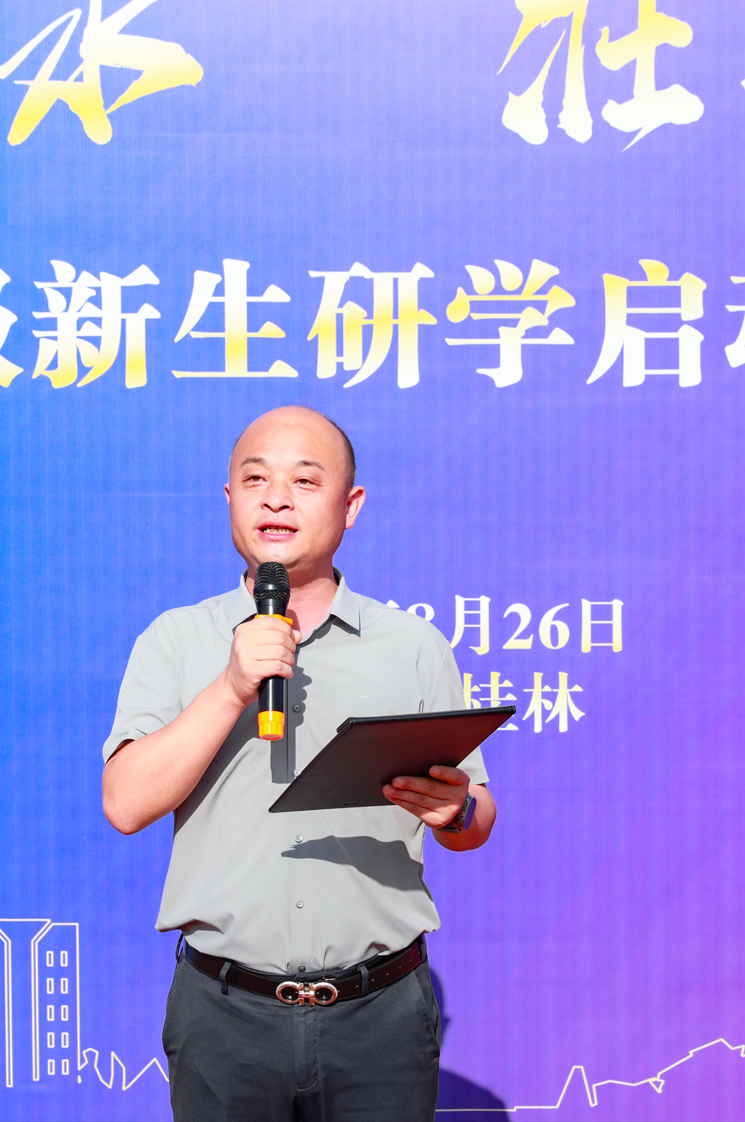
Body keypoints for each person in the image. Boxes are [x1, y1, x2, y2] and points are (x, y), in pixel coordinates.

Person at [101, 405, 496, 1121]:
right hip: (226, 1016)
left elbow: (475, 820)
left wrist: (456, 809)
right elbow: (125, 804)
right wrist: (230, 686)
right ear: (230, 498)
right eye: (256, 479)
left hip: (379, 1016)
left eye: (305, 481)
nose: (276, 499)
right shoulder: (176, 640)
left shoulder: (411, 646)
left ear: (351, 505)